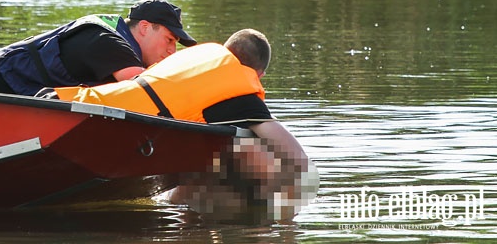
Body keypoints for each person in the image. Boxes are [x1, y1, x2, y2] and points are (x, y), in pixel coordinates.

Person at [48, 29, 318, 222]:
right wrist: (289, 219)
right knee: (250, 153)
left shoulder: (191, 62)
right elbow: (297, 158)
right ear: (258, 74)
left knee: (212, 156)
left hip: (68, 101)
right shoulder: (239, 95)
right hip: (98, 124)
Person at [0, 0, 197, 96]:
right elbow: (148, 90)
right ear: (145, 28)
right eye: (169, 40)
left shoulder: (118, 37)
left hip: (20, 92)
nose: (171, 52)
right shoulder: (111, 43)